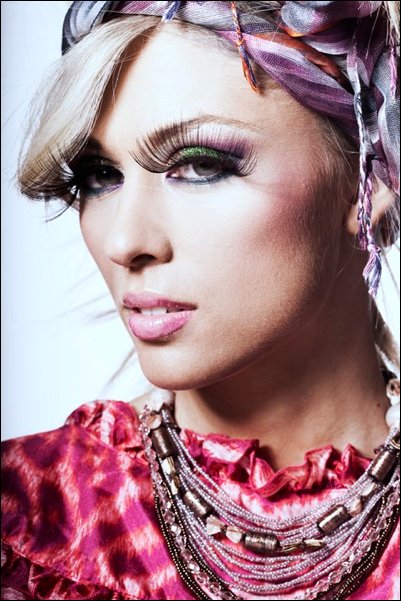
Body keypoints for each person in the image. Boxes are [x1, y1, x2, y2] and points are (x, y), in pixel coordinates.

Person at [1, 1, 400, 599]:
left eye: (200, 166)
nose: (124, 241)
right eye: (99, 175)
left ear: (370, 182)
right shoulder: (30, 517)